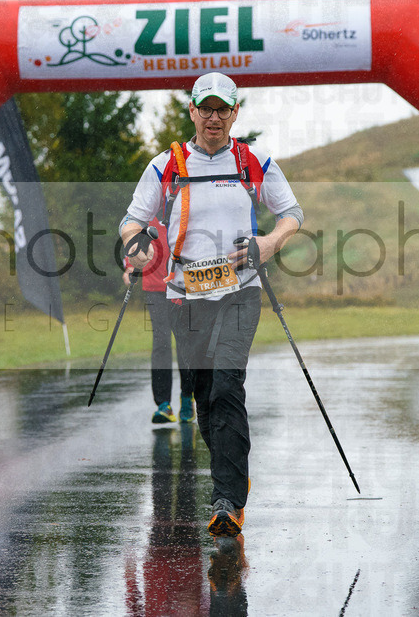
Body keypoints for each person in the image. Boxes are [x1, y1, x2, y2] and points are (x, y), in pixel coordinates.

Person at [119, 72, 303, 538]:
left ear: (235, 112)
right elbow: (132, 221)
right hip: (185, 296)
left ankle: (228, 500)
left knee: (226, 384)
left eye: (224, 109)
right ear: (193, 111)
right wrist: (137, 245)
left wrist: (269, 243)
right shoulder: (166, 165)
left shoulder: (252, 160)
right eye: (207, 108)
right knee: (204, 398)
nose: (215, 117)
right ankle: (231, 476)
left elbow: (292, 215)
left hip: (241, 289)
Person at [122, 218, 193, 424]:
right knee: (161, 342)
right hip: (155, 287)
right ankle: (163, 405)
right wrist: (129, 266)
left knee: (185, 342)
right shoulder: (148, 207)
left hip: (184, 286)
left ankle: (188, 396)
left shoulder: (184, 202)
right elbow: (133, 239)